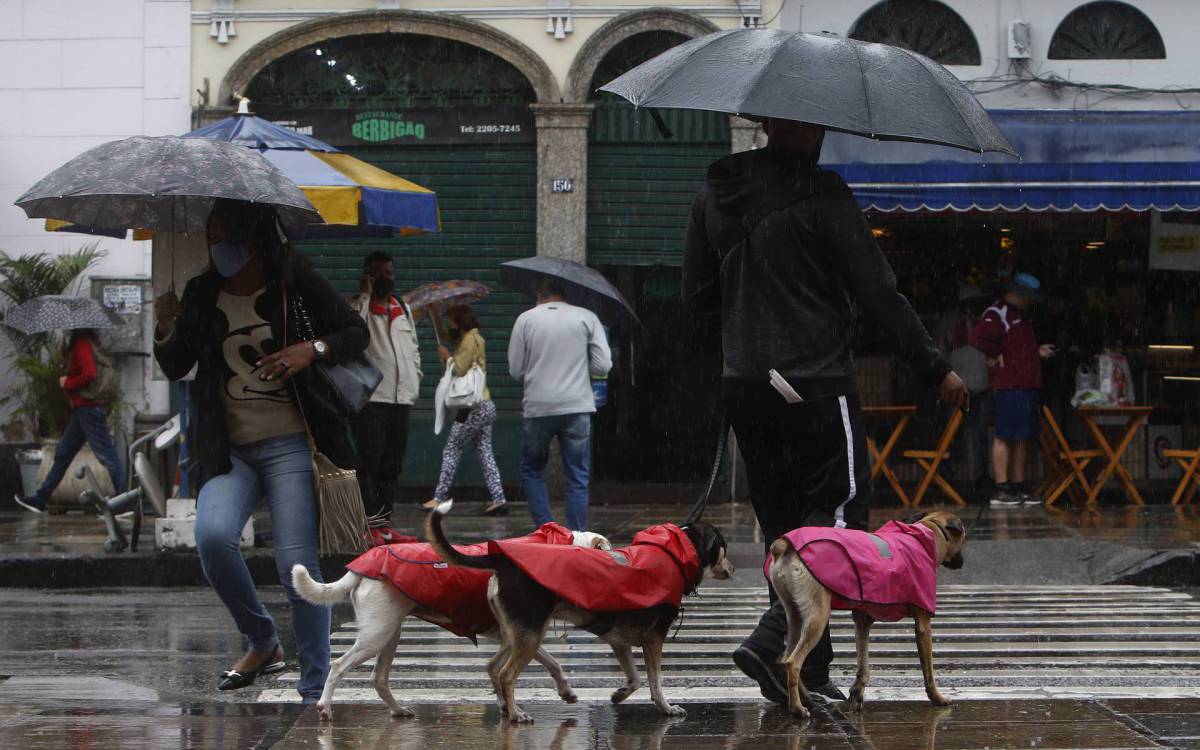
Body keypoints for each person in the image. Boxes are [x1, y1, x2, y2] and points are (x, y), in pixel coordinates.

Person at [682, 117, 967, 706]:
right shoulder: (823, 193)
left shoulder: (712, 192)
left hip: (746, 383)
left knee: (785, 528)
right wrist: (934, 367)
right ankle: (770, 641)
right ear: (803, 124)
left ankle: (808, 671)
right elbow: (878, 292)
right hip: (813, 379)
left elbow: (697, 297)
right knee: (839, 516)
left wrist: (746, 332)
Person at [152, 198, 369, 703]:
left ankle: (316, 687)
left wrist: (309, 350)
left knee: (296, 565)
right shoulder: (203, 290)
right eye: (213, 238)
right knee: (212, 538)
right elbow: (175, 364)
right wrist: (166, 327)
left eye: (227, 236)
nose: (218, 247)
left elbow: (353, 333)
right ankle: (262, 639)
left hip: (292, 444)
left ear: (252, 236)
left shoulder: (295, 280)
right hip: (231, 451)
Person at [508, 278, 612, 531]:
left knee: (533, 469)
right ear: (565, 293)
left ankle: (547, 532)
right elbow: (603, 366)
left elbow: (515, 370)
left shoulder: (526, 319)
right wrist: (576, 364)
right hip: (577, 406)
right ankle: (576, 534)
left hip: (538, 407)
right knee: (577, 477)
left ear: (539, 292)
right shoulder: (587, 317)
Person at [349, 251, 422, 544]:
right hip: (372, 400)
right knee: (370, 463)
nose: (387, 278)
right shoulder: (356, 307)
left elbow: (413, 349)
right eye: (380, 273)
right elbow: (354, 338)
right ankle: (369, 526)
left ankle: (384, 526)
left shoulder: (400, 307)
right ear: (368, 275)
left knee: (392, 465)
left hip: (400, 400)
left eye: (390, 273)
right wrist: (365, 298)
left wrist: (415, 379)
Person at [14, 328, 126, 513]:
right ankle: (40, 499)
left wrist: (68, 382)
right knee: (63, 454)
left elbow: (89, 373)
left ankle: (123, 502)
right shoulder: (85, 343)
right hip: (83, 411)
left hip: (88, 409)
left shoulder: (82, 344)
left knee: (107, 455)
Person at [970, 272, 1056, 507]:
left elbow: (1015, 348)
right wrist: (995, 353)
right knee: (1004, 435)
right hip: (1008, 385)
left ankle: (1018, 485)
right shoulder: (998, 313)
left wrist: (1035, 353)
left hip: (1026, 384)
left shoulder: (1019, 316)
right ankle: (1001, 487)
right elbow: (977, 338)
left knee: (1021, 437)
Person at [421, 303, 507, 515]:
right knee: (485, 452)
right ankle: (499, 498)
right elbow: (448, 337)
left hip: (473, 407)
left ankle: (438, 498)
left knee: (452, 449)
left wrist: (447, 357)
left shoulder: (469, 340)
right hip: (486, 405)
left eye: (451, 321)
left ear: (460, 322)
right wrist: (435, 317)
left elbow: (459, 369)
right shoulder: (475, 338)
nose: (450, 326)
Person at [933, 284, 992, 498]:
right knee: (952, 435)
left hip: (979, 385)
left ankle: (979, 478)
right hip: (955, 385)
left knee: (978, 435)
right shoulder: (951, 322)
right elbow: (939, 351)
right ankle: (946, 478)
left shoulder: (986, 321)